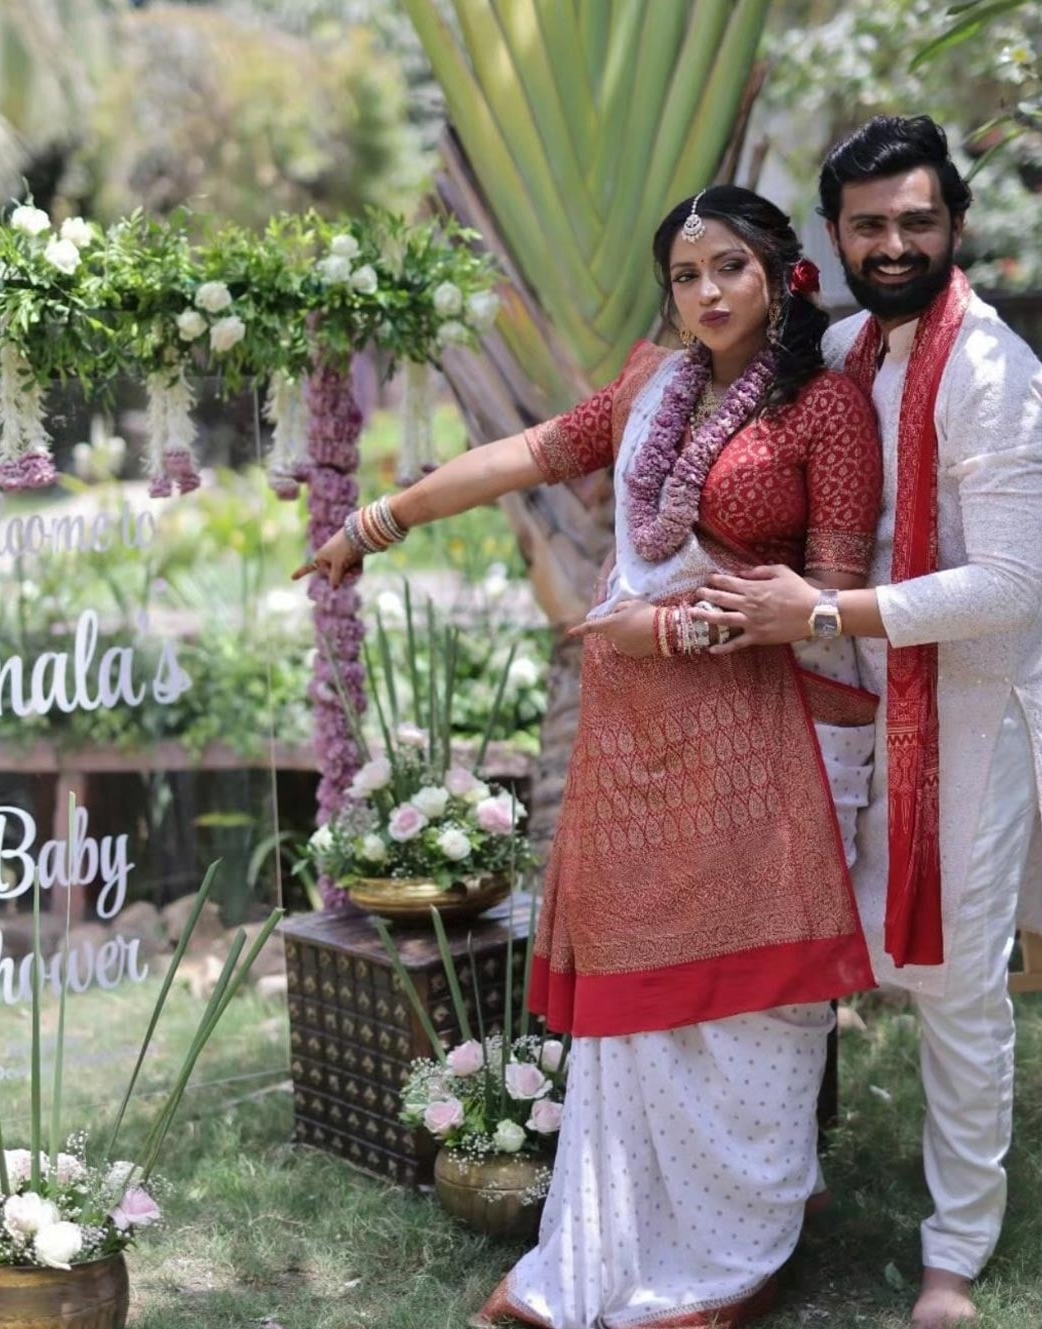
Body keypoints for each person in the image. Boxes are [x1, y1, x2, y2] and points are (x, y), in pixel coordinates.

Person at [296, 186, 883, 1328]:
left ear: (780, 273)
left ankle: (734, 1249)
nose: (707, 292)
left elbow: (830, 599)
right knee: (640, 999)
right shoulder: (650, 386)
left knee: (749, 997)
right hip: (636, 738)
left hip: (761, 729)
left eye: (730, 267)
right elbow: (526, 452)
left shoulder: (824, 410)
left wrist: (673, 628)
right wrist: (379, 521)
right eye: (686, 276)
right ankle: (607, 1241)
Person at [695, 118, 1042, 1329]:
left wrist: (822, 609)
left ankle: (954, 1255)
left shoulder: (995, 374)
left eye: (917, 222)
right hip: (837, 708)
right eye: (870, 225)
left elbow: (1011, 584)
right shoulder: (841, 351)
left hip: (967, 718)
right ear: (835, 239)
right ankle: (770, 1194)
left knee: (953, 987)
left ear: (956, 226)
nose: (895, 244)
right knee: (794, 948)